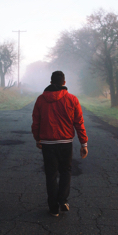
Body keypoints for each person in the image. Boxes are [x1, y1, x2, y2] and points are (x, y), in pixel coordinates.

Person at [32, 70, 88, 217]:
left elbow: (36, 122)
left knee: (51, 174)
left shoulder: (40, 100)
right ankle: (63, 200)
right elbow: (79, 122)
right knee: (65, 171)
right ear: (64, 83)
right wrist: (84, 144)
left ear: (50, 82)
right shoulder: (72, 99)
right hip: (65, 143)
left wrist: (38, 139)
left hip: (47, 143)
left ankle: (53, 208)